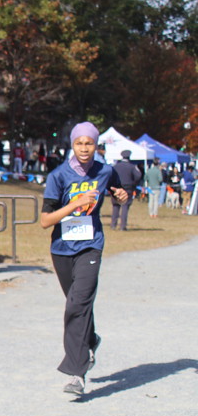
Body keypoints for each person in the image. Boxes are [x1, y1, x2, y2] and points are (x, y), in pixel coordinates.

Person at [39, 122, 128, 396]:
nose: (84, 148)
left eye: (89, 143)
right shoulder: (58, 176)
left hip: (90, 247)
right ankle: (90, 339)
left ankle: (76, 373)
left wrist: (122, 196)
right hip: (62, 249)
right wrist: (75, 204)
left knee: (77, 304)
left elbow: (118, 193)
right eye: (79, 143)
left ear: (96, 145)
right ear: (72, 145)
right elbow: (45, 221)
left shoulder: (105, 171)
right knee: (77, 304)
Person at [110, 149, 141, 231]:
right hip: (127, 188)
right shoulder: (132, 167)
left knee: (115, 206)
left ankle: (113, 224)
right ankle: (122, 226)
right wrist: (133, 183)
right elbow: (138, 176)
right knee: (125, 206)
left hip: (116, 188)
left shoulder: (115, 166)